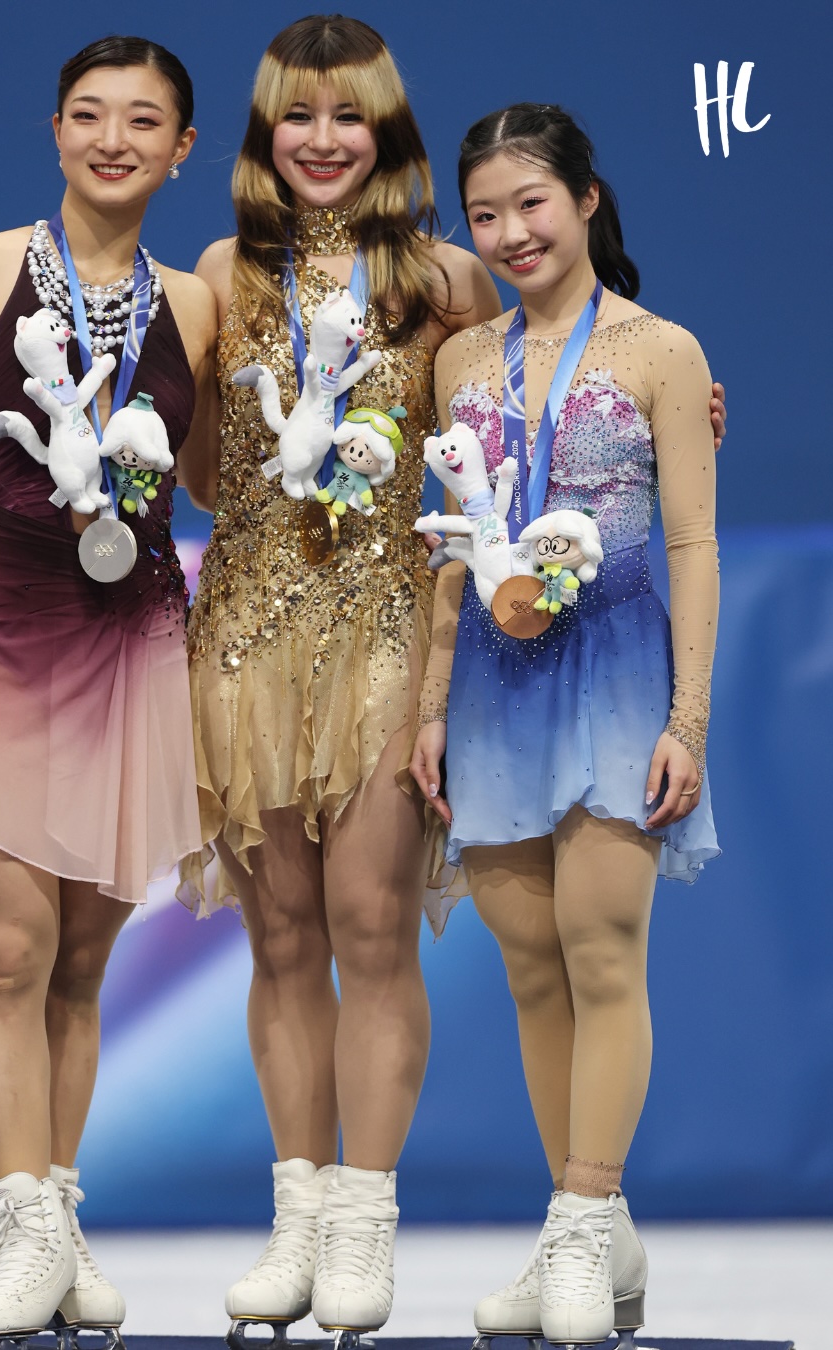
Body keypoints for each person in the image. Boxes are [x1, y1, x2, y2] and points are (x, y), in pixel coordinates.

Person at [0, 36, 215, 1344]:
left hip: (139, 650)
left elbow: (221, 485)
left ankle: (61, 1215)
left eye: (143, 120)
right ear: (56, 130)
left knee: (82, 959)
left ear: (183, 148)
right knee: (9, 946)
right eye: (89, 114)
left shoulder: (203, 302)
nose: (113, 138)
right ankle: (15, 1212)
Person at [175, 15, 502, 1340]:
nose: (321, 140)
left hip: (385, 636)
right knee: (282, 937)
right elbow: (195, 472)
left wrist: (672, 405)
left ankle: (366, 1219)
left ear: (388, 130)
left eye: (347, 115)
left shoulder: (447, 281)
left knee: (370, 930)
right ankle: (297, 1216)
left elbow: (517, 423)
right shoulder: (218, 273)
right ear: (265, 133)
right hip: (246, 637)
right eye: (296, 116)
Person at [410, 103, 720, 1347]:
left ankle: (584, 1235)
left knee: (602, 952)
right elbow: (451, 551)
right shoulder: (459, 363)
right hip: (493, 683)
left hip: (617, 677)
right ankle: (588, 1222)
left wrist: (687, 719)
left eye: (532, 202)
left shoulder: (662, 351)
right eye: (484, 214)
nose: (509, 232)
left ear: (588, 200)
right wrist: (429, 709)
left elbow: (694, 543)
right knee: (532, 966)